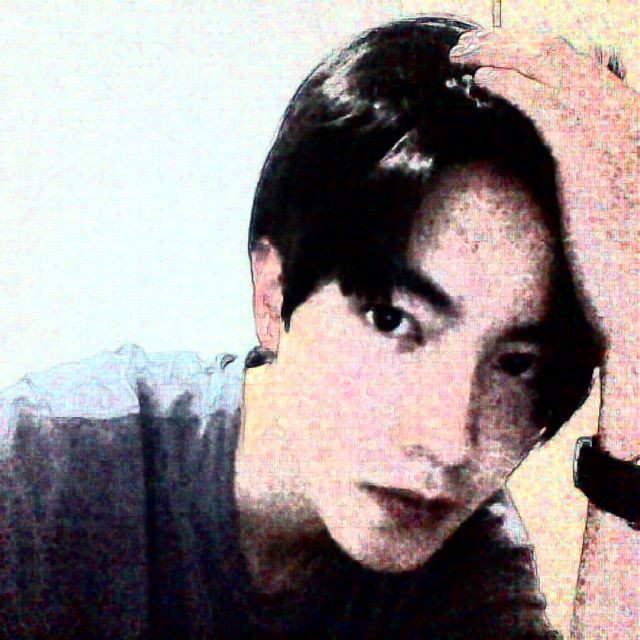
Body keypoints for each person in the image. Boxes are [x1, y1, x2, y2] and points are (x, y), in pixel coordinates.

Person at [0, 15, 638, 640]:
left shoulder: (466, 563)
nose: (448, 443)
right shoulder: (42, 474)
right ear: (273, 293)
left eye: (516, 364)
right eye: (391, 320)